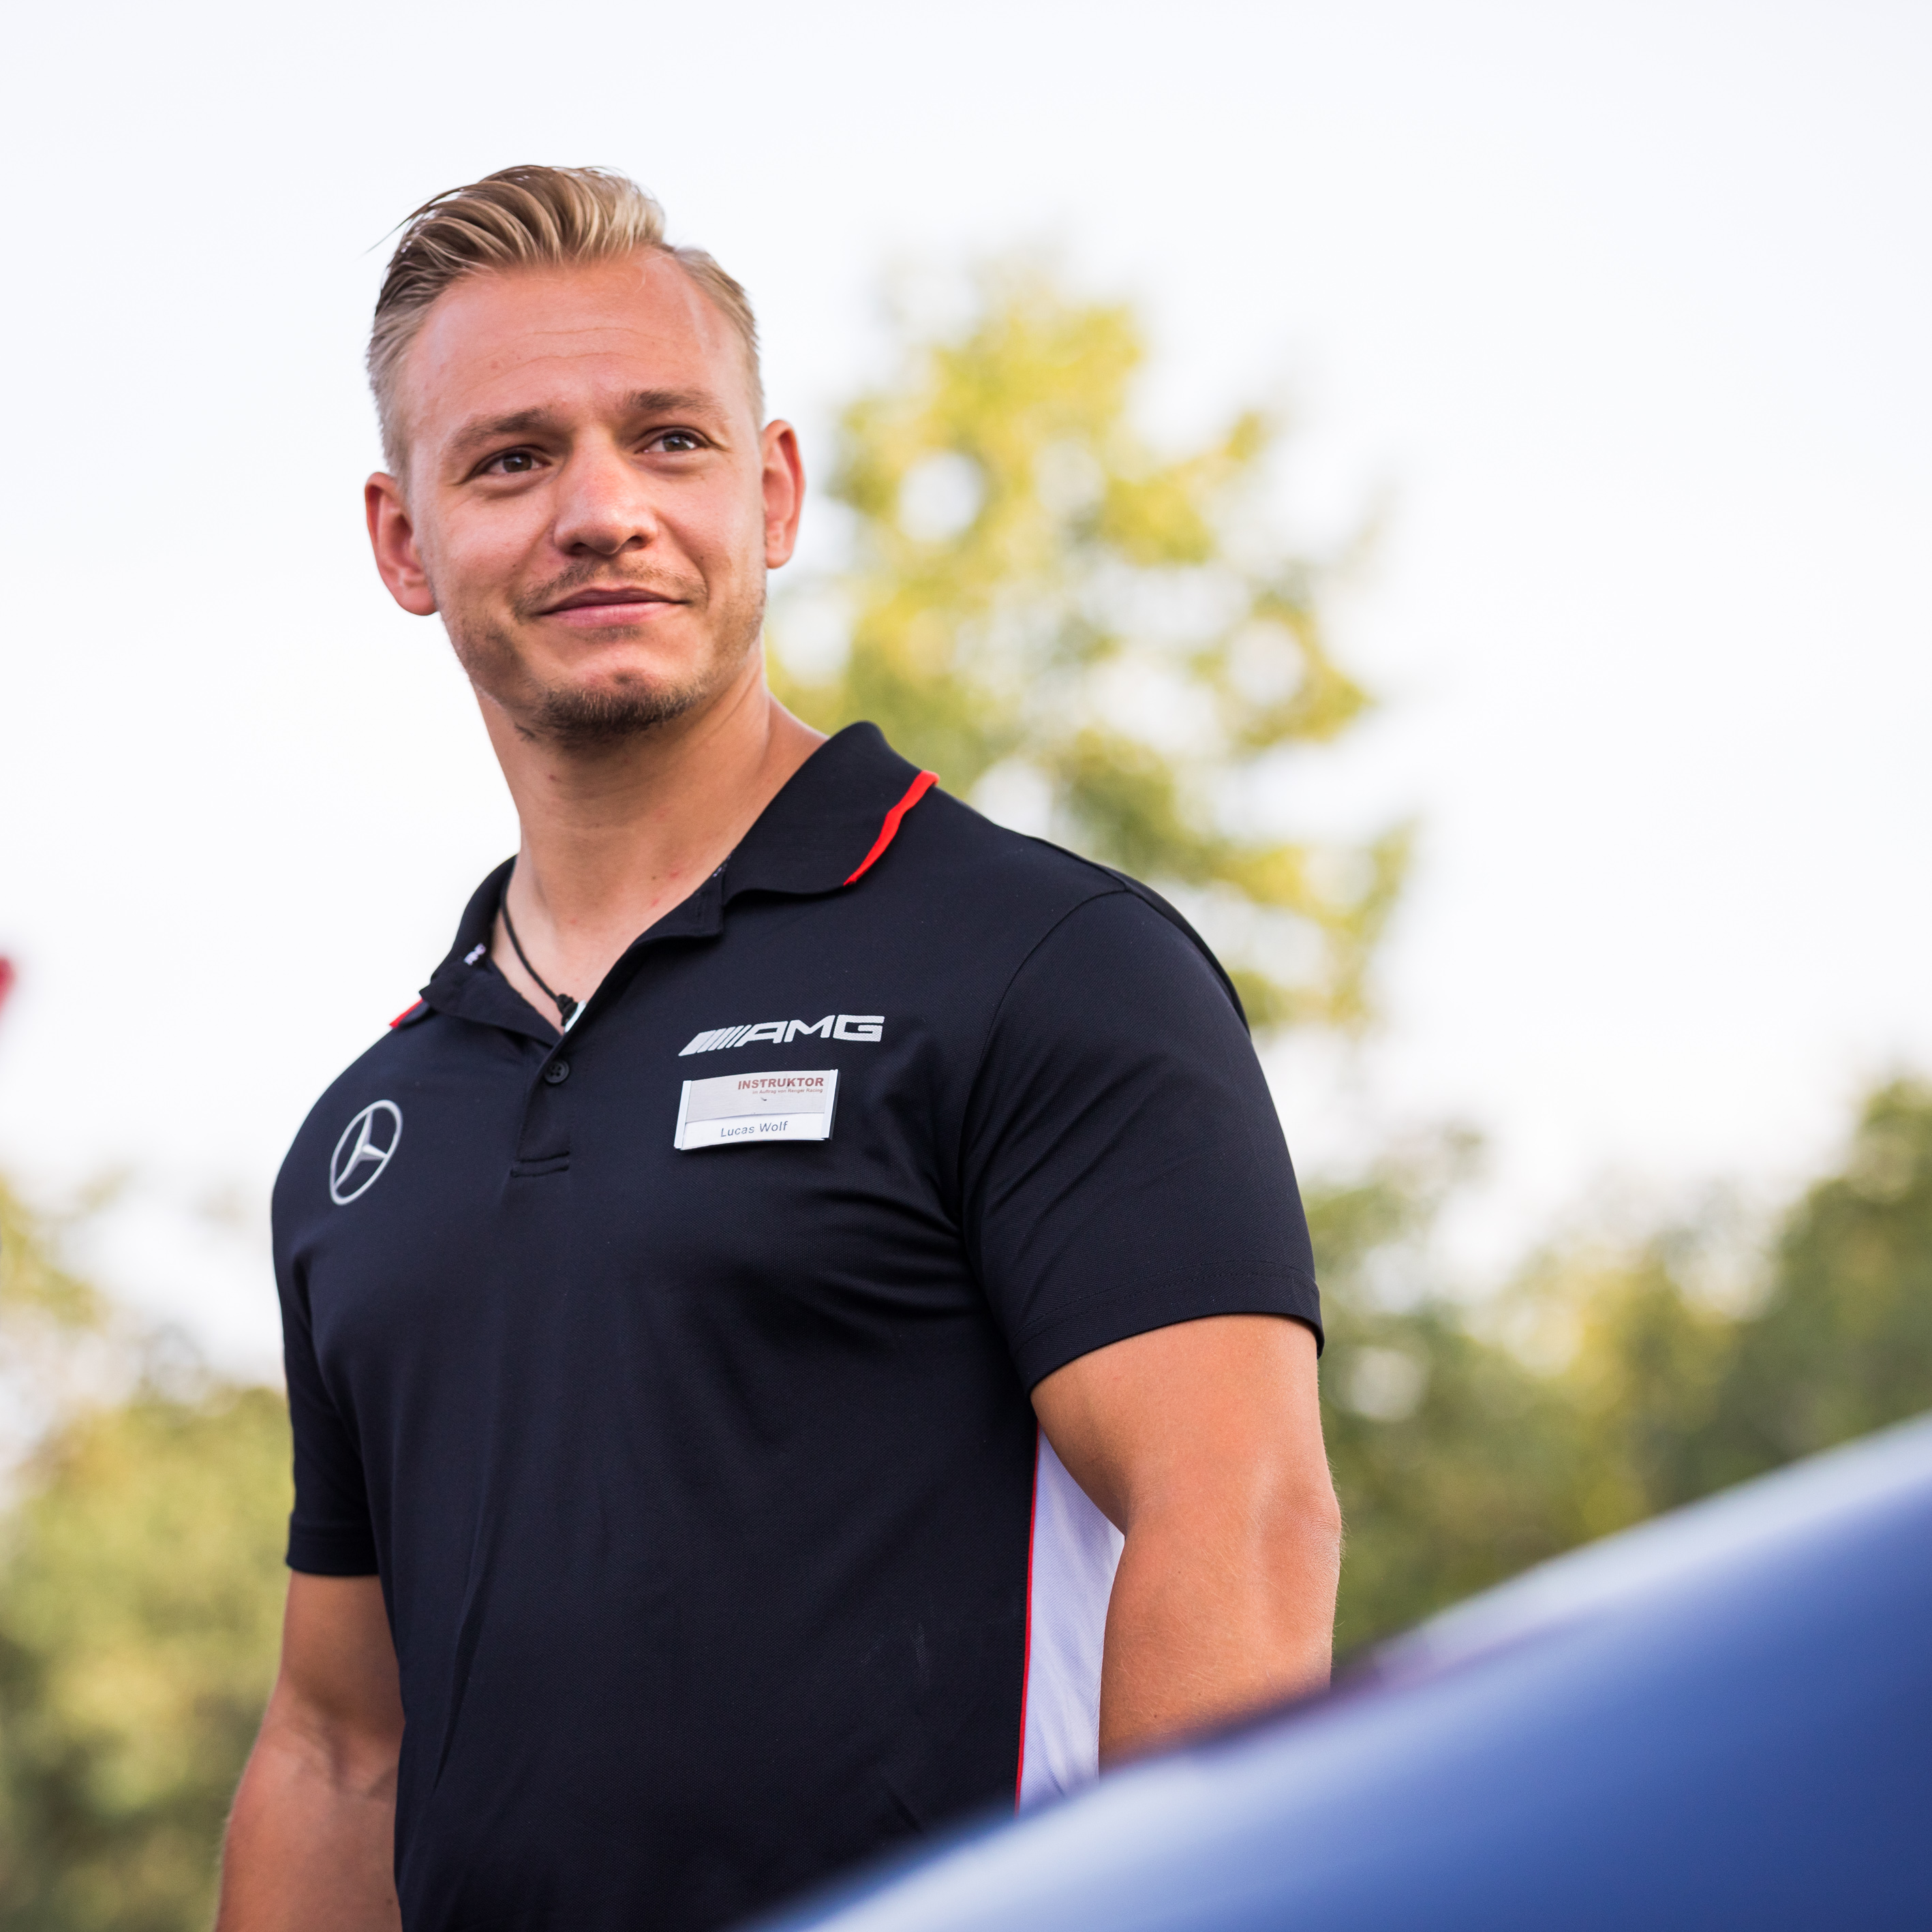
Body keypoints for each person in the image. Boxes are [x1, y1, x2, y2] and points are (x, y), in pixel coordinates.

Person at [216, 166, 1341, 1932]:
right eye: (511, 459)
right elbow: (339, 1747)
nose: (604, 510)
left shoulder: (1041, 967)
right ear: (403, 541)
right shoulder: (368, 1138)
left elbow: (1243, 1517)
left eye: (668, 439)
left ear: (772, 492)